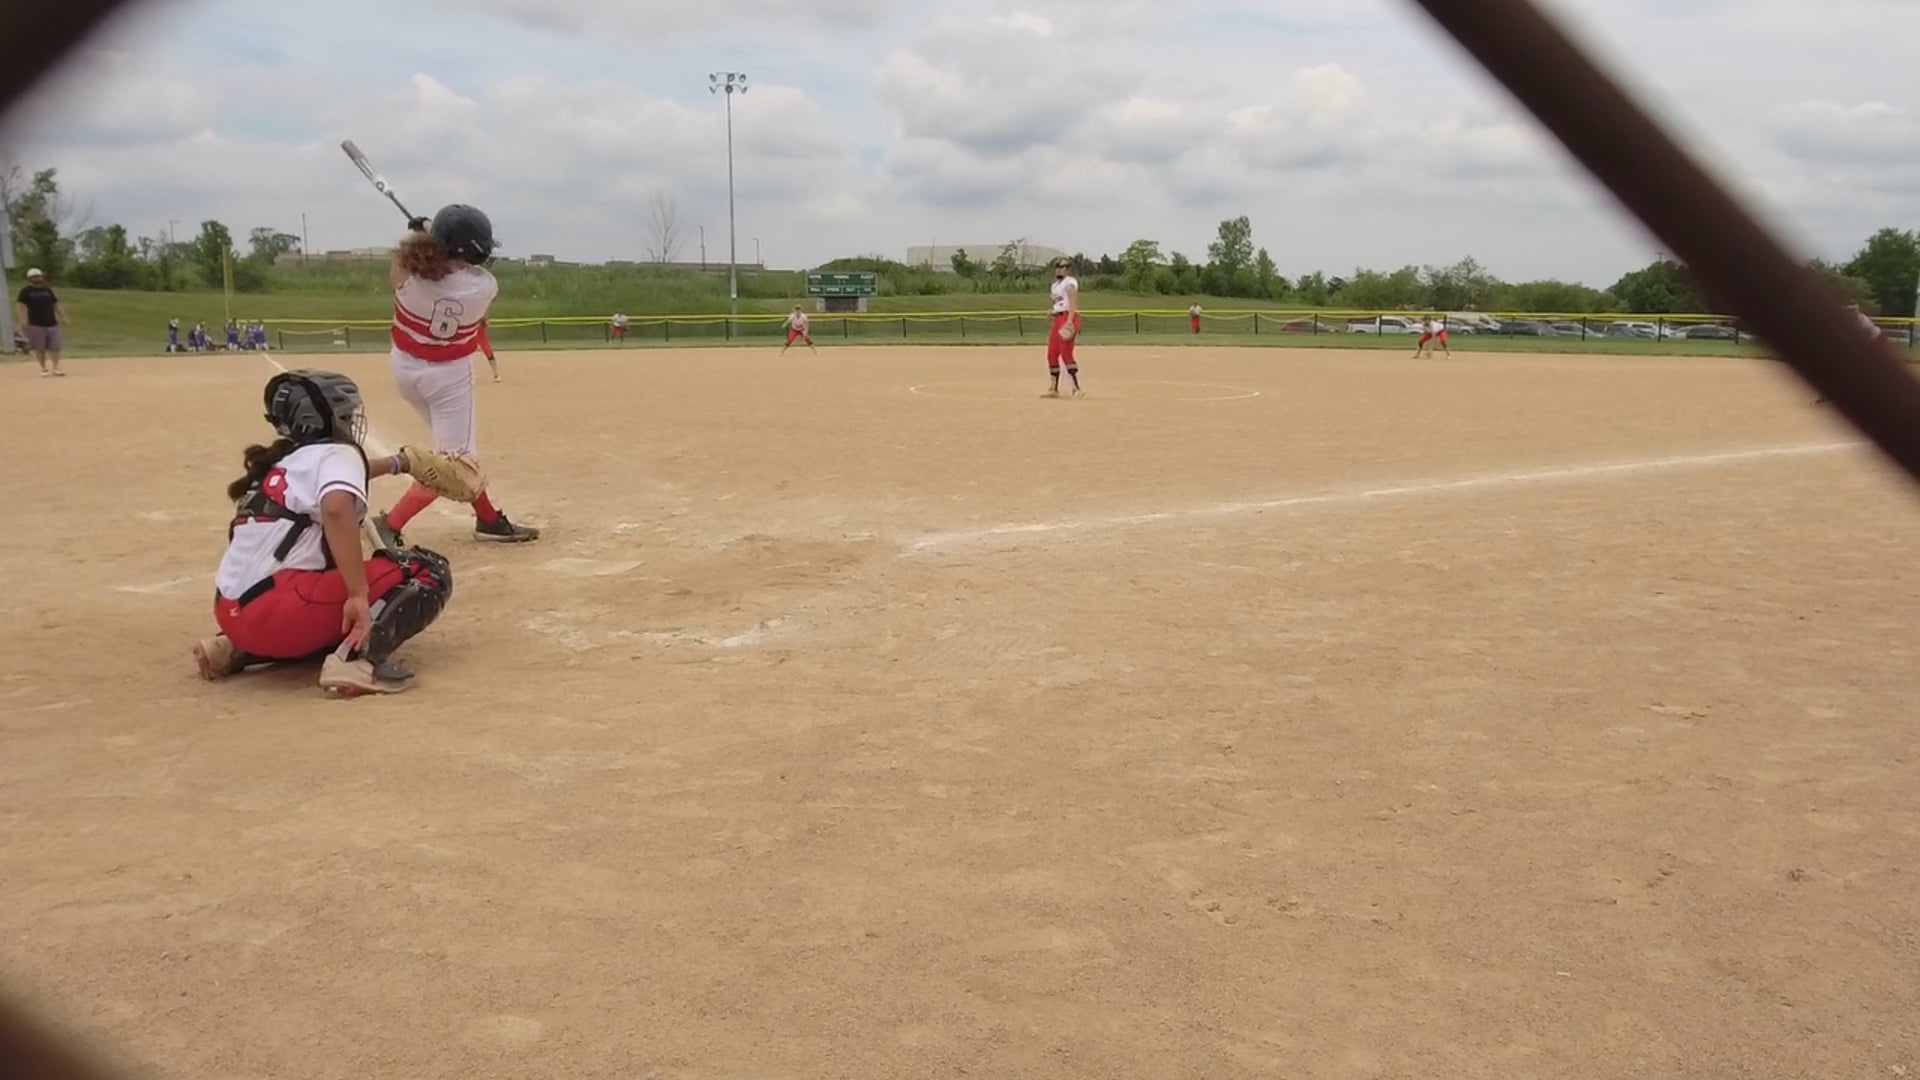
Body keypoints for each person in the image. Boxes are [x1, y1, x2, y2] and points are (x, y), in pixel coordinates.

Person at [194, 369, 453, 696]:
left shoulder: (284, 461)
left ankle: (236, 649)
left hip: (232, 613)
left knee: (323, 572)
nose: (350, 422)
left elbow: (342, 476)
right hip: (279, 613)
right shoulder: (337, 453)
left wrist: (400, 463)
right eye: (346, 416)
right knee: (428, 570)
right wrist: (357, 595)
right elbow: (336, 507)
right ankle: (356, 661)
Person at [374, 204, 539, 545]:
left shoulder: (408, 275)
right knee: (457, 466)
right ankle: (389, 524)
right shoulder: (484, 287)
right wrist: (430, 231)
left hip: (406, 371)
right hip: (448, 380)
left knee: (457, 452)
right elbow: (456, 270)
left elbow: (407, 261)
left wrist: (421, 232)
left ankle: (488, 519)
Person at [15, 267, 66, 377]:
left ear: (42, 277)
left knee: (55, 347)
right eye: (33, 277)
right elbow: (20, 305)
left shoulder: (47, 290)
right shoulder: (26, 291)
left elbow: (55, 304)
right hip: (35, 324)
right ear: (29, 279)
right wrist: (23, 319)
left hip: (51, 323)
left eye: (38, 276)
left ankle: (56, 367)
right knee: (39, 348)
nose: (36, 279)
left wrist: (62, 316)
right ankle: (43, 368)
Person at [1045, 258, 1083, 397]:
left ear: (1067, 270)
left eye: (1062, 268)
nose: (1059, 270)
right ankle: (1053, 389)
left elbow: (1072, 303)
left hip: (1068, 317)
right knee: (1052, 353)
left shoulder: (1070, 282)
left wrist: (1069, 322)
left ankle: (1076, 389)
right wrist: (1053, 312)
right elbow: (1057, 303)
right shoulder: (1054, 286)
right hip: (1058, 318)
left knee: (1065, 352)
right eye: (1057, 268)